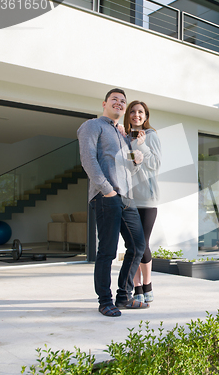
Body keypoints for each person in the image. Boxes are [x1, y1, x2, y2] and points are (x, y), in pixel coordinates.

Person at [77, 88, 150, 317]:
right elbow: (88, 159)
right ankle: (104, 301)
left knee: (138, 246)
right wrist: (106, 190)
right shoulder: (92, 126)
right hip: (106, 196)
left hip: (126, 197)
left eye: (122, 101)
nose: (119, 103)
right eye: (114, 100)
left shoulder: (121, 133)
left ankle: (123, 296)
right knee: (107, 251)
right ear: (104, 103)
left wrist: (137, 158)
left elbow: (128, 166)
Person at [123, 100, 161, 303]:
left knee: (142, 243)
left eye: (140, 112)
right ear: (128, 115)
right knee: (132, 245)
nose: (136, 115)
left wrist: (142, 146)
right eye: (133, 112)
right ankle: (136, 287)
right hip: (128, 199)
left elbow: (156, 164)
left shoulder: (151, 135)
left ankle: (148, 284)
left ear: (146, 116)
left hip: (147, 198)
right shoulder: (123, 138)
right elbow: (127, 166)